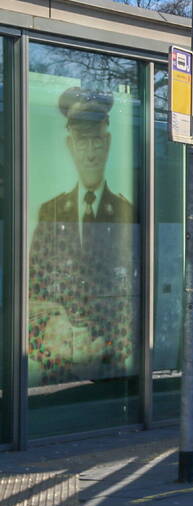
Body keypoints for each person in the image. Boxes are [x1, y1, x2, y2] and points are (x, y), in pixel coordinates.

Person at [28, 87, 137, 386]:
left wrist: (112, 349)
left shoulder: (126, 213)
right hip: (56, 367)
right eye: (81, 142)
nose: (90, 153)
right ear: (70, 145)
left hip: (109, 366)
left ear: (109, 142)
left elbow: (137, 295)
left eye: (97, 141)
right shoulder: (50, 212)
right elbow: (33, 294)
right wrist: (52, 337)